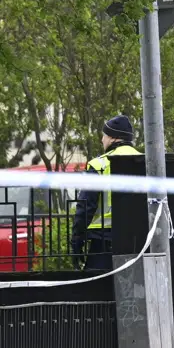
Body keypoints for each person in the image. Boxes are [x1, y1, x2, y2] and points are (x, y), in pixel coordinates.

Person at [71, 115, 143, 273]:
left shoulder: (99, 164)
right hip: (137, 238)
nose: (102, 139)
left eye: (104, 135)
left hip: (104, 240)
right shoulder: (144, 162)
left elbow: (86, 206)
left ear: (113, 137)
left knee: (97, 284)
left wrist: (77, 237)